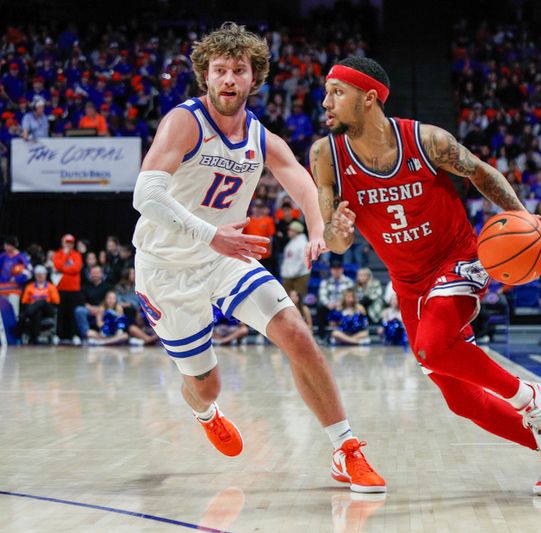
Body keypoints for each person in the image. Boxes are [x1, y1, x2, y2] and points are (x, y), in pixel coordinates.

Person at [313, 56, 541, 496]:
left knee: (434, 347)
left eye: (336, 92)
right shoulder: (327, 155)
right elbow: (337, 242)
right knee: (461, 401)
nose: (325, 101)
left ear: (368, 99)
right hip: (407, 282)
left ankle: (530, 398)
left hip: (456, 260)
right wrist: (336, 233)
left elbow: (480, 172)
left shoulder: (426, 140)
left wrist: (521, 217)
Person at [130, 23, 384, 493]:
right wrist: (210, 235)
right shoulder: (184, 122)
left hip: (228, 258)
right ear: (205, 75)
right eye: (220, 69)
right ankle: (205, 412)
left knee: (296, 332)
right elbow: (145, 194)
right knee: (206, 385)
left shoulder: (259, 136)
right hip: (167, 267)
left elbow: (300, 179)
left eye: (239, 70)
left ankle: (345, 449)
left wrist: (315, 230)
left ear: (254, 78)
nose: (229, 78)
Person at [16, 265, 60, 344]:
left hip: (47, 310)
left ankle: (23, 316)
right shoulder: (29, 287)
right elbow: (24, 302)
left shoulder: (51, 287)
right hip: (33, 311)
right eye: (38, 274)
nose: (40, 276)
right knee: (37, 311)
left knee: (41, 302)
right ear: (35, 275)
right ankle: (34, 337)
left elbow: (56, 301)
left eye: (42, 274)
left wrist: (39, 302)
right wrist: (35, 305)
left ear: (45, 275)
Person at [53, 234, 83, 342]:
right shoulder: (58, 254)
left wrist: (63, 268)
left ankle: (73, 335)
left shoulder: (77, 255)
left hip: (74, 289)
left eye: (71, 243)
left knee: (72, 313)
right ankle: (58, 335)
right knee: (60, 313)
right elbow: (57, 265)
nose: (69, 245)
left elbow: (76, 268)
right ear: (63, 243)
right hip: (61, 288)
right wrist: (65, 256)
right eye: (67, 242)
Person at [0, 235, 32, 317]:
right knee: (2, 313)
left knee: (13, 311)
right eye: (5, 245)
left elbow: (29, 272)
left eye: (7, 245)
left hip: (14, 289)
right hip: (2, 288)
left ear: (12, 245)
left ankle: (14, 329)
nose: (5, 247)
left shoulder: (22, 257)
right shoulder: (3, 256)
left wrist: (17, 279)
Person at [280, 220, 311, 297]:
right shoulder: (291, 242)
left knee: (299, 300)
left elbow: (303, 260)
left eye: (290, 230)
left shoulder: (303, 243)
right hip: (289, 275)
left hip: (299, 276)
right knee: (286, 300)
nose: (288, 232)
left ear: (296, 231)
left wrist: (294, 272)